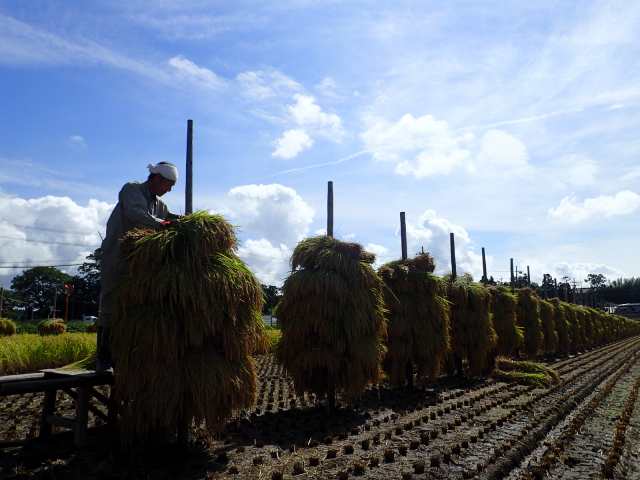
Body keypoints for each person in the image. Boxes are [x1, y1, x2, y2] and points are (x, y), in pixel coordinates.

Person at [96, 162, 181, 372]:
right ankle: (103, 359)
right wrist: (162, 225)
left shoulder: (159, 204)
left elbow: (169, 217)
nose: (169, 190)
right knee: (111, 301)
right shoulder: (132, 189)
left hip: (141, 262)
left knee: (137, 305)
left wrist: (190, 221)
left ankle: (127, 353)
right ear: (157, 178)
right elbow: (136, 213)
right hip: (117, 256)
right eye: (168, 185)